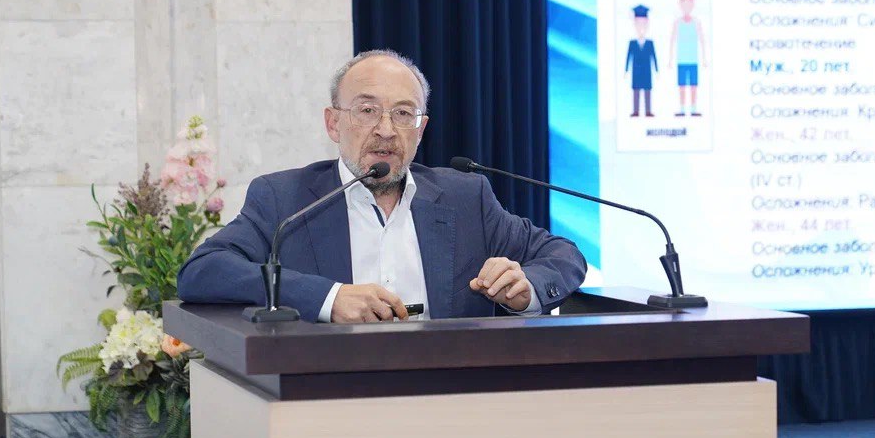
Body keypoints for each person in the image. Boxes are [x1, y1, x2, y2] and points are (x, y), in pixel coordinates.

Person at [177, 50, 586, 323]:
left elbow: (564, 255)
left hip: (452, 396)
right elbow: (202, 271)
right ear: (333, 123)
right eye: (367, 110)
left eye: (404, 114)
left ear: (421, 130)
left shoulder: (465, 198)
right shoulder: (285, 199)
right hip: (328, 400)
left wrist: (525, 287)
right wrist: (329, 298)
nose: (386, 130)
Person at [668, 0, 708, 117]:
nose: (686, 5)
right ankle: (682, 109)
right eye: (683, 2)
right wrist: (670, 59)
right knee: (682, 86)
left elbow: (702, 40)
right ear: (680, 4)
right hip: (681, 60)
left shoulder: (696, 23)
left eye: (688, 2)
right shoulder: (677, 23)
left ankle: (693, 109)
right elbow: (672, 40)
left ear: (692, 3)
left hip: (693, 60)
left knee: (693, 86)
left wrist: (704, 58)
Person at [624, 5, 658, 117]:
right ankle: (636, 111)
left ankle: (648, 111)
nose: (641, 27)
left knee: (647, 90)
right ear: (634, 24)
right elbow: (629, 57)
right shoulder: (632, 43)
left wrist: (656, 69)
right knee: (636, 91)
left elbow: (653, 56)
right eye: (638, 23)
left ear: (647, 24)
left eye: (643, 23)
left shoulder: (650, 43)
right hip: (636, 71)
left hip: (647, 70)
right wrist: (626, 70)